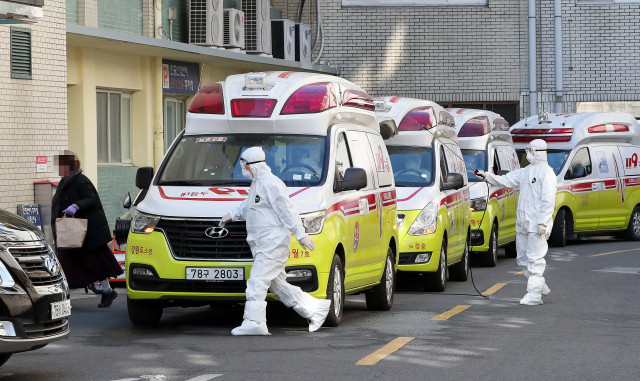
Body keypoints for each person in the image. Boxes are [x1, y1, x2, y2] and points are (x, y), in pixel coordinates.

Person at [220, 147, 332, 335]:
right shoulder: (258, 183)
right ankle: (316, 309)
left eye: (245, 166)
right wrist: (231, 215)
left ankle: (254, 323)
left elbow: (286, 210)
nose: (243, 170)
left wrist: (300, 234)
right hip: (262, 244)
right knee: (278, 286)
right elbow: (250, 206)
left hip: (272, 244)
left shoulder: (272, 184)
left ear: (254, 166)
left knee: (257, 281)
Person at [475, 139, 556, 305]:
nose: (528, 153)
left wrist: (543, 222)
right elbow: (507, 180)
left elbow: (548, 201)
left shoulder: (547, 173)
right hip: (523, 222)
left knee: (535, 258)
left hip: (536, 224)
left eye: (531, 150)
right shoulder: (526, 171)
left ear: (538, 152)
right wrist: (487, 176)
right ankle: (539, 287)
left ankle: (534, 294)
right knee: (523, 258)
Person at [51, 151, 124, 308]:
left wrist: (76, 206)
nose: (58, 169)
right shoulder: (66, 181)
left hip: (87, 232)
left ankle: (105, 291)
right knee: (69, 264)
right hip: (72, 231)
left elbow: (92, 199)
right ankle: (105, 291)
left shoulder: (81, 180)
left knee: (94, 263)